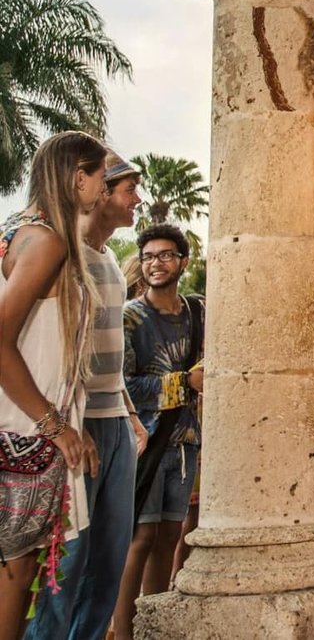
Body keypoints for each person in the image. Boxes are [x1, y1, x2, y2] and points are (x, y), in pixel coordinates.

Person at [27, 152, 149, 640]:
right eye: (126, 189)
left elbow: (108, 355)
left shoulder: (112, 266)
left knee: (110, 558)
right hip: (80, 425)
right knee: (67, 561)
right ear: (101, 192)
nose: (135, 199)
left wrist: (131, 415)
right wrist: (61, 427)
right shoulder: (62, 254)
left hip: (115, 423)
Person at [0, 131, 107, 640]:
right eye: (100, 176)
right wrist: (54, 425)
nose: (103, 188)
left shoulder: (20, 230)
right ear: (77, 177)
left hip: (25, 423)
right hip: (20, 429)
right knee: (14, 571)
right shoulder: (45, 241)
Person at [115, 224, 204, 640]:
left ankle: (154, 624)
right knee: (140, 536)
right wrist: (184, 383)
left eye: (165, 255)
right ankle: (124, 630)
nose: (156, 263)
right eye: (148, 256)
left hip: (185, 440)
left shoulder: (197, 311)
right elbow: (123, 383)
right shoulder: (130, 317)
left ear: (182, 262)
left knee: (172, 533)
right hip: (144, 439)